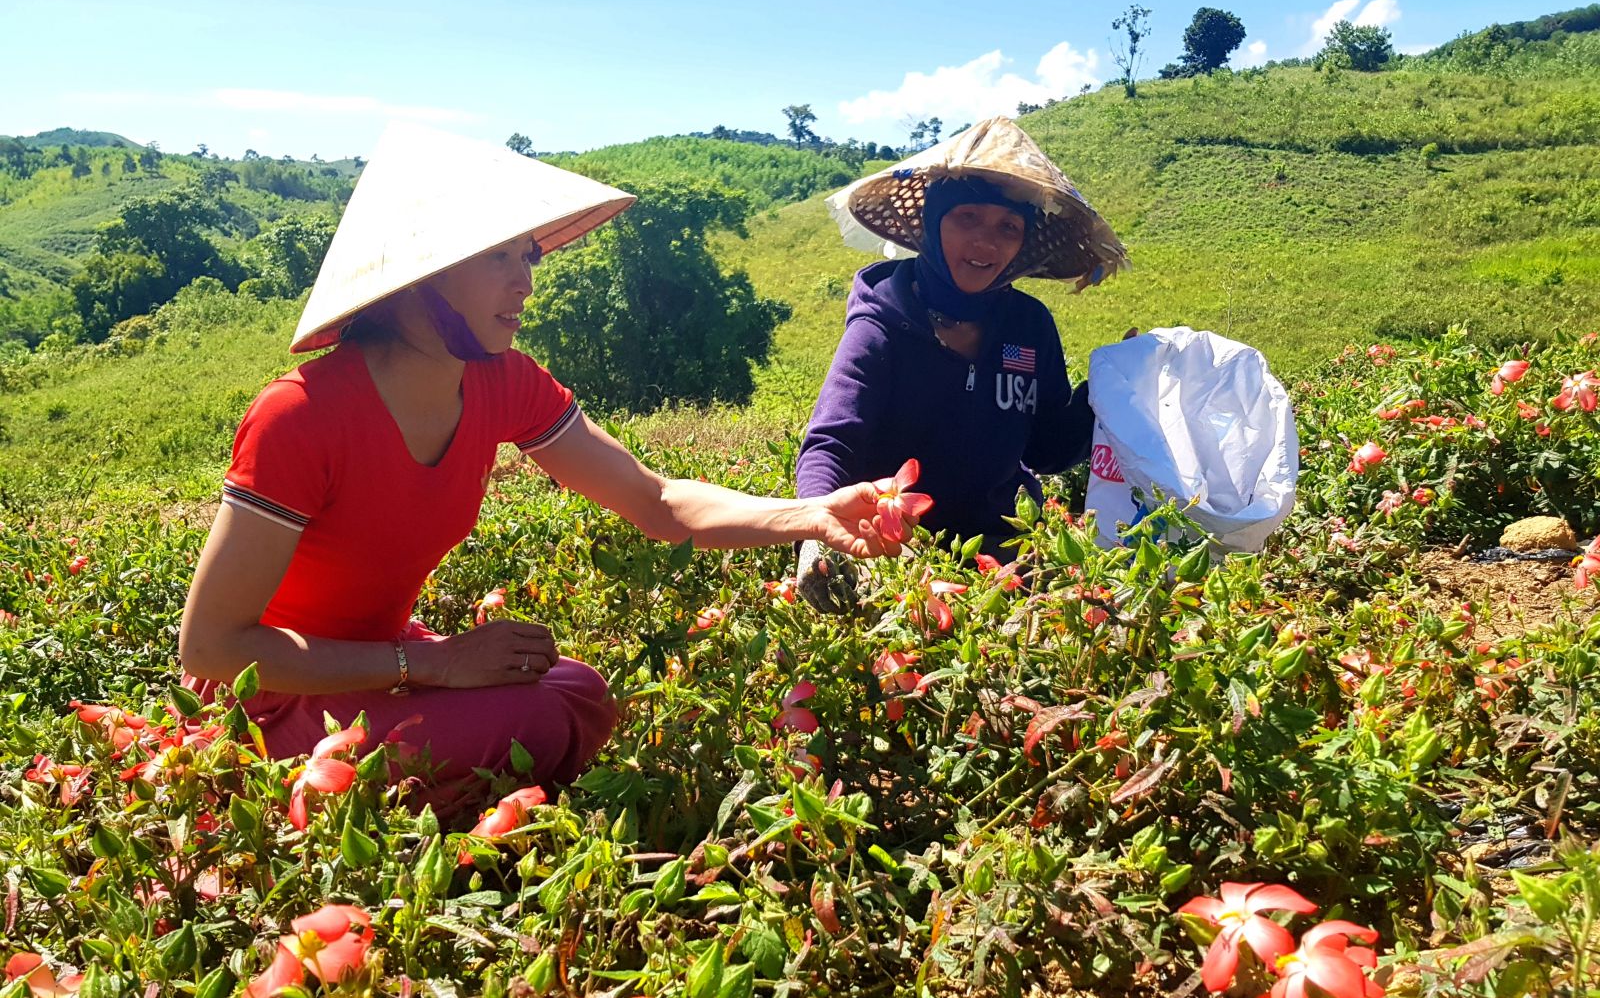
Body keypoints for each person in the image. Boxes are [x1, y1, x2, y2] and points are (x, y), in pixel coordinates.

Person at [179, 124, 901, 791]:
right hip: (274, 697)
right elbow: (211, 648)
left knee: (576, 692)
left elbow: (653, 500)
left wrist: (812, 514)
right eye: (498, 255)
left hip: (385, 664)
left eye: (525, 255)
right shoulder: (301, 414)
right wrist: (433, 663)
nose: (524, 281)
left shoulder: (502, 382)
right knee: (535, 720)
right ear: (422, 272)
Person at [794, 117, 1129, 607]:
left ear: (1023, 242)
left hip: (1004, 551)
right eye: (967, 217)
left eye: (1008, 227)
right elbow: (832, 441)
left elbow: (1048, 448)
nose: (986, 243)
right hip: (897, 552)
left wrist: (1107, 390)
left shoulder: (1029, 325)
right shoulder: (882, 323)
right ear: (932, 224)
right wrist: (816, 526)